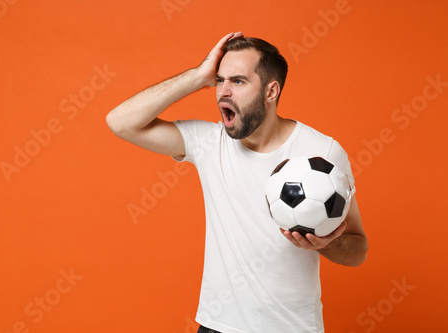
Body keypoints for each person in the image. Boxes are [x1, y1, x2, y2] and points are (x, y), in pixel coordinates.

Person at [106, 32, 368, 333]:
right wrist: (196, 76)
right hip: (217, 326)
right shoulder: (208, 142)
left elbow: (358, 250)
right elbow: (120, 122)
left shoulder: (324, 153)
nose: (222, 92)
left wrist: (328, 243)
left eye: (238, 81)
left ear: (271, 91)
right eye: (220, 80)